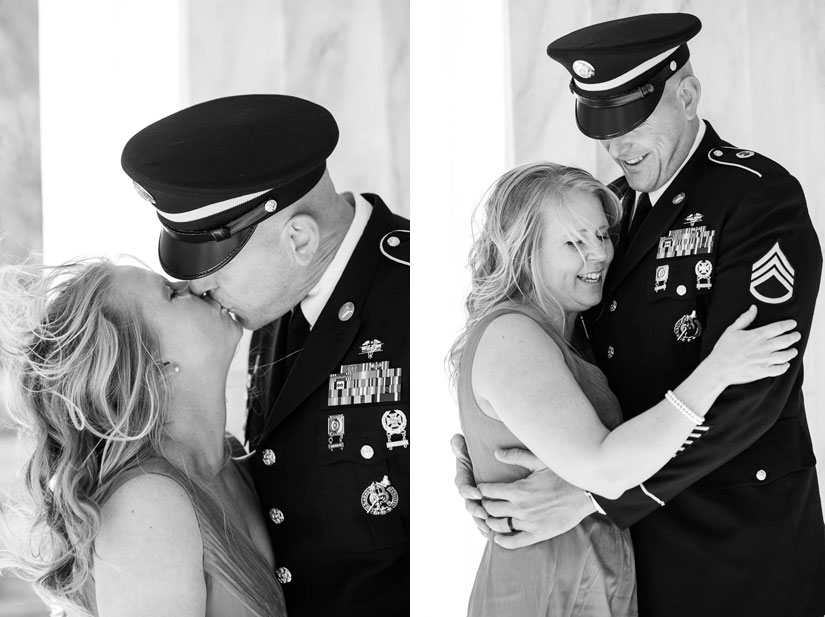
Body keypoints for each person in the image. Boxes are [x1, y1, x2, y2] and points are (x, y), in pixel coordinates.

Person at [453, 13, 825, 617]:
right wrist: (492, 462)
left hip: (734, 548)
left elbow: (754, 391)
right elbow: (562, 367)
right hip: (627, 561)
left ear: (687, 95)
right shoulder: (606, 214)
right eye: (603, 131)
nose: (616, 147)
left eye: (632, 125)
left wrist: (593, 498)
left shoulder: (755, 196)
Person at [450, 161, 800, 616]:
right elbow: (605, 468)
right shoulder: (513, 335)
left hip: (592, 588)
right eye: (574, 242)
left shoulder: (566, 334)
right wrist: (716, 372)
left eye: (600, 235)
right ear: (523, 250)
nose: (598, 254)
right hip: (545, 595)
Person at [120, 94, 409, 617]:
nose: (196, 284)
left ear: (298, 237)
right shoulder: (270, 301)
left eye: (216, 262)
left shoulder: (424, 293)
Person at [0, 259, 286, 617]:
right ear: (158, 364)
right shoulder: (148, 504)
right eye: (170, 293)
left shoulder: (228, 458)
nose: (193, 285)